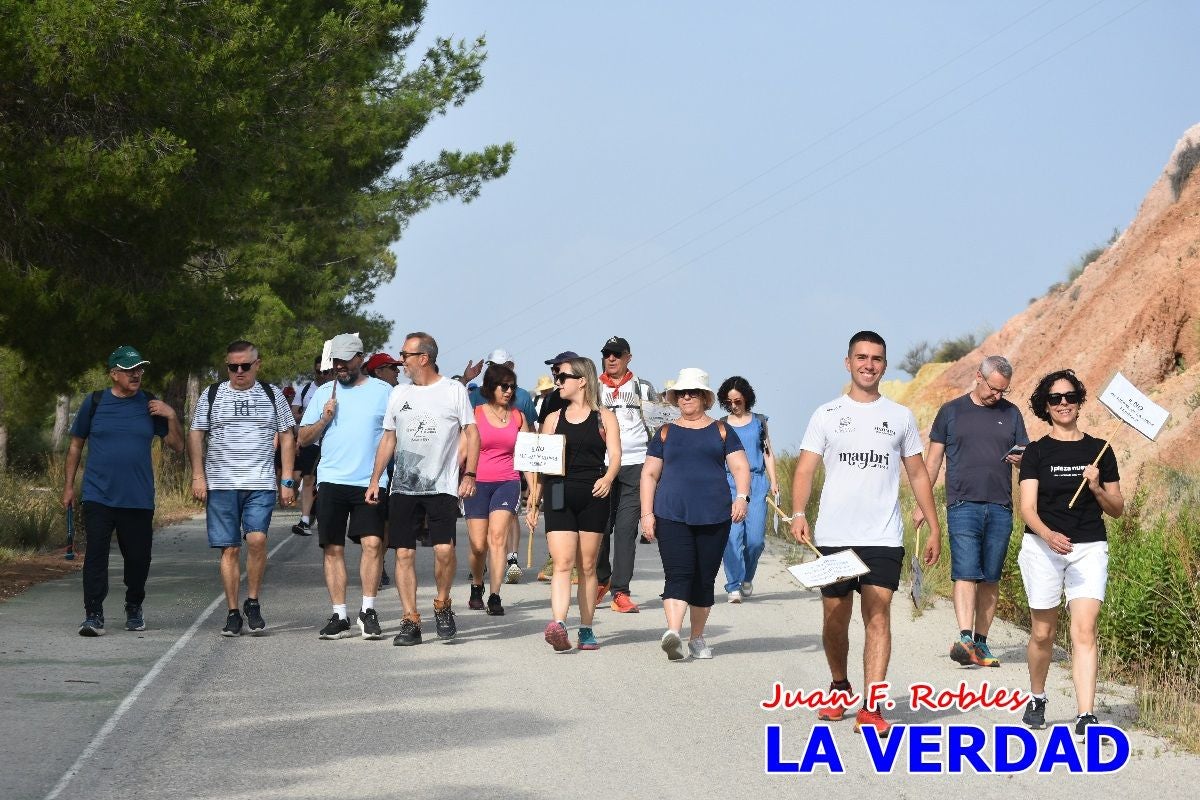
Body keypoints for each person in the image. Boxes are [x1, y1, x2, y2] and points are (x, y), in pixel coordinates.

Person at [790, 331, 941, 736]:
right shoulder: (826, 414)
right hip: (835, 535)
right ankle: (839, 687)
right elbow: (805, 468)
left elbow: (917, 472)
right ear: (848, 362)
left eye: (876, 359)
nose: (868, 364)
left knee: (878, 614)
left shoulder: (900, 416)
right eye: (861, 357)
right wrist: (799, 512)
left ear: (884, 366)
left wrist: (934, 526)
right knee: (835, 618)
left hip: (883, 536)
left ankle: (872, 706)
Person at [1017, 369, 1123, 740]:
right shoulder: (1036, 451)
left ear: (1079, 401)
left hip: (1089, 547)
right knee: (1043, 633)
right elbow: (1027, 507)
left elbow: (1117, 508)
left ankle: (1085, 714)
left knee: (1085, 630)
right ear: (1045, 407)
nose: (1063, 403)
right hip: (1042, 548)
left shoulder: (1100, 450)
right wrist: (1048, 535)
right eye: (1055, 399)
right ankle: (1037, 696)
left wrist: (1095, 486)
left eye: (1069, 397)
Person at [367, 331, 478, 646]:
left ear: (424, 357)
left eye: (405, 354)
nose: (401, 360)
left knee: (444, 551)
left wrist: (469, 473)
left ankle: (442, 605)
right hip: (403, 487)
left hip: (441, 486)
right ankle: (410, 620)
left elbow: (472, 432)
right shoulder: (399, 393)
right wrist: (376, 480)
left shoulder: (453, 390)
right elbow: (389, 438)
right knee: (403, 553)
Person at [64, 345, 184, 636]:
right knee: (95, 556)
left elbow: (177, 446)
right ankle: (93, 614)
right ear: (114, 374)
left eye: (140, 368)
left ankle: (134, 606)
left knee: (138, 559)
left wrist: (171, 415)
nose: (137, 374)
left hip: (138, 498)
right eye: (130, 370)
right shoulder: (94, 402)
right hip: (98, 495)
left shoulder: (150, 403)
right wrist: (68, 486)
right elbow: (76, 446)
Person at [917, 355, 1029, 667]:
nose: (998, 396)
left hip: (1001, 507)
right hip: (962, 504)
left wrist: (1023, 461)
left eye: (1003, 391)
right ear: (978, 376)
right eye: (994, 389)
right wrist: (921, 505)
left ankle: (981, 644)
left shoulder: (1012, 413)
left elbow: (1026, 454)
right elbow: (933, 461)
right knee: (966, 571)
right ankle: (965, 638)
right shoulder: (951, 412)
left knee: (990, 577)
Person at [187, 340, 297, 636]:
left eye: (245, 366)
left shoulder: (272, 395)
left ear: (257, 365)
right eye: (232, 367)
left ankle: (253, 601)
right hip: (221, 484)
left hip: (260, 483)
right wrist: (198, 475)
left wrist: (287, 479)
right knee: (230, 549)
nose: (238, 371)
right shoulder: (212, 394)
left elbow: (287, 436)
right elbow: (196, 433)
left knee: (258, 540)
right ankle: (233, 611)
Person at [640, 368, 750, 661]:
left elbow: (740, 467)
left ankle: (697, 638)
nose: (686, 397)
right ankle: (673, 634)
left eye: (693, 392)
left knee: (703, 578)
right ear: (676, 399)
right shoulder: (665, 433)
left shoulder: (723, 430)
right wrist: (647, 514)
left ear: (704, 397)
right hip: (671, 513)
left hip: (714, 515)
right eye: (681, 393)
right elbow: (649, 474)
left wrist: (742, 496)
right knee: (678, 574)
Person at [298, 333, 392, 641]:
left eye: (345, 361)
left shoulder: (383, 392)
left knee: (373, 544)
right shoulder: (325, 393)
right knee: (333, 548)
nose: (339, 367)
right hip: (332, 480)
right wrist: (324, 418)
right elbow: (303, 438)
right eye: (335, 362)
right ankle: (339, 615)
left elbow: (394, 437)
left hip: (370, 481)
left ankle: (368, 610)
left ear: (360, 358)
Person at [525, 357, 620, 651]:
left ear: (582, 380)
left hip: (594, 492)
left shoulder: (604, 417)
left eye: (563, 377)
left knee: (588, 566)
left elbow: (616, 455)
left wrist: (608, 478)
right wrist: (534, 498)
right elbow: (539, 461)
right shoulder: (553, 418)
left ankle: (587, 628)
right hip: (557, 492)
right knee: (563, 563)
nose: (558, 382)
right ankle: (560, 623)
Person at [595, 335, 659, 613]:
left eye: (617, 354)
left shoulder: (643, 388)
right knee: (599, 528)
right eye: (607, 354)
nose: (611, 358)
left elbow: (658, 424)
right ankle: (601, 579)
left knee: (624, 530)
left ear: (628, 357)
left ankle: (620, 591)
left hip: (636, 464)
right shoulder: (593, 387)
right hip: (602, 465)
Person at [462, 348, 538, 578]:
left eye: (504, 366)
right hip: (478, 477)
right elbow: (462, 437)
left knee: (505, 522)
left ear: (512, 367)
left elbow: (530, 431)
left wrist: (534, 485)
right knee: (479, 540)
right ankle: (480, 570)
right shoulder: (474, 397)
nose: (508, 390)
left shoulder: (522, 396)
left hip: (508, 475)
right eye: (493, 366)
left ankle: (510, 558)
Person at [716, 376, 779, 604]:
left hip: (757, 482)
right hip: (729, 483)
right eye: (729, 402)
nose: (734, 406)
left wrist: (774, 480)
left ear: (746, 399)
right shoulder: (721, 425)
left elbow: (767, 451)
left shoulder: (759, 421)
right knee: (732, 538)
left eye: (738, 401)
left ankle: (747, 577)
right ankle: (733, 585)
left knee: (755, 541)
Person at [364, 352, 404, 588]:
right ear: (378, 371)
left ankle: (379, 564)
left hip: (394, 466)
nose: (397, 371)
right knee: (373, 521)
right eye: (392, 368)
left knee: (387, 520)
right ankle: (374, 566)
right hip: (368, 469)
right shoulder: (366, 393)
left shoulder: (398, 394)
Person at [291, 356, 331, 536]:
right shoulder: (305, 390)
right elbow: (294, 417)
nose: (322, 375)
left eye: (326, 372)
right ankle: (305, 520)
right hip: (310, 441)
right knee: (308, 479)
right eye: (319, 372)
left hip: (332, 444)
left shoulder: (339, 390)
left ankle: (325, 516)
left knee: (326, 482)